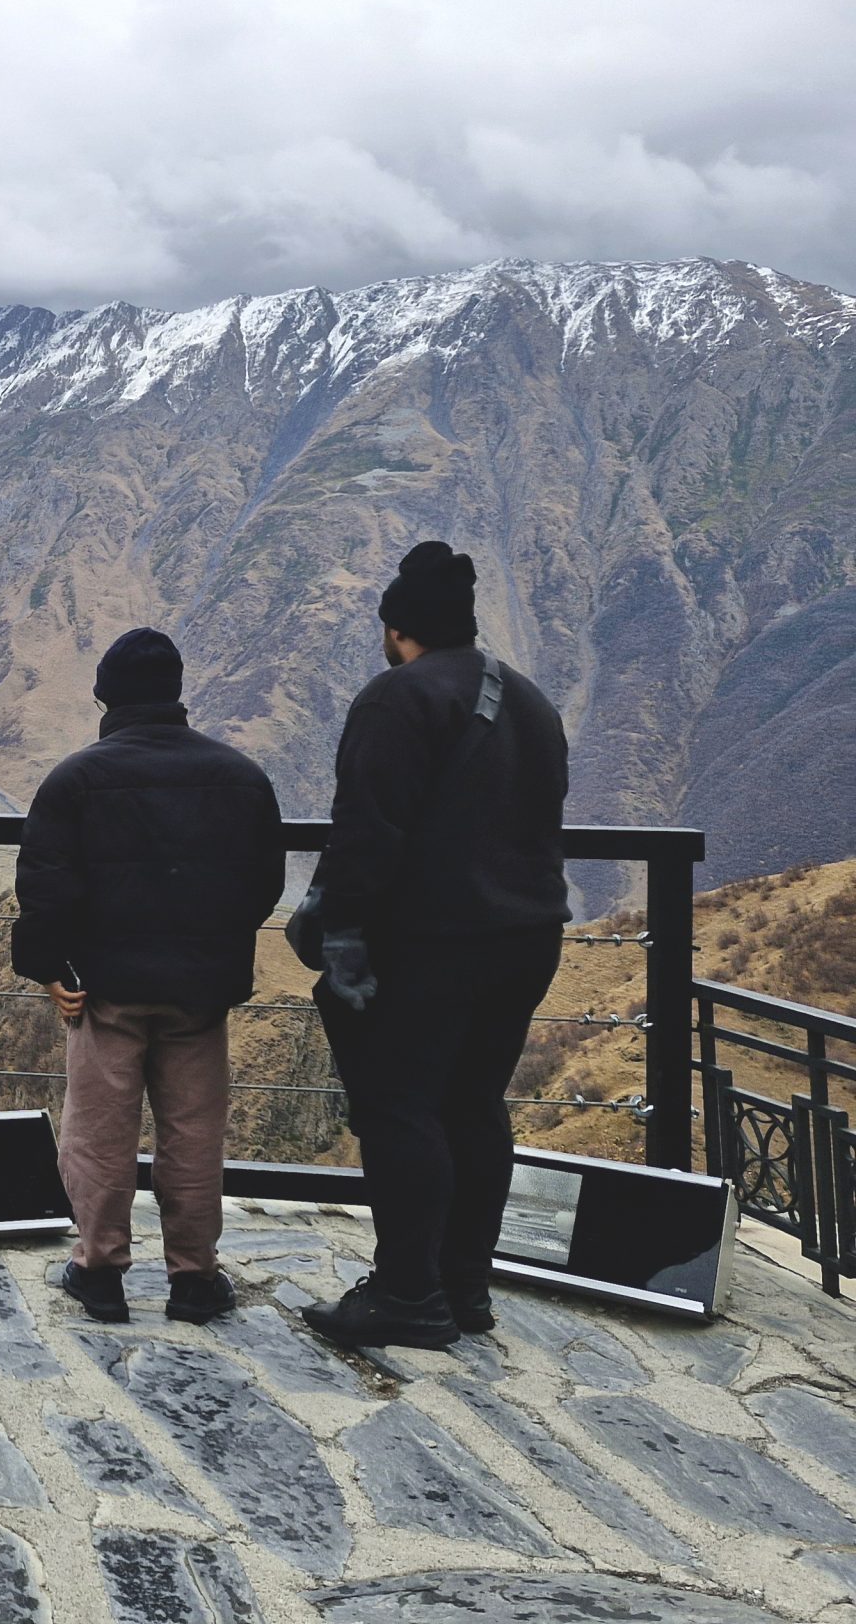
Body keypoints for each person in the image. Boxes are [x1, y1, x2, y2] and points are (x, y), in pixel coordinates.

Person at [297, 541, 569, 1351]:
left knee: (399, 1110)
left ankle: (407, 1295)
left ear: (395, 628)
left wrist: (340, 938)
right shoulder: (531, 703)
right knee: (474, 1106)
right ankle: (463, 1287)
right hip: (528, 938)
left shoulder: (396, 700)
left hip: (433, 946)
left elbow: (365, 836)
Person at [12, 628, 285, 1325]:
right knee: (194, 1137)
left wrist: (51, 970)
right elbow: (262, 888)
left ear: (105, 695)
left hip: (106, 989)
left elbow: (46, 891)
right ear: (177, 692)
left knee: (100, 1134)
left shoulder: (75, 780)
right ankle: (194, 1280)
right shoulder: (241, 778)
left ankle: (99, 1273)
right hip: (199, 993)